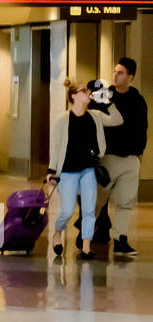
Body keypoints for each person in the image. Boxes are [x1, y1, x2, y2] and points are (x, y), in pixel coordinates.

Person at [48, 79, 123, 260]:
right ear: (74, 96)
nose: (88, 93)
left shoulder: (95, 115)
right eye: (83, 91)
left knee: (89, 211)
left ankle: (86, 247)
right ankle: (58, 232)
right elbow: (57, 147)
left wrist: (108, 102)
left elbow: (117, 120)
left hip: (88, 170)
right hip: (67, 171)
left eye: (88, 91)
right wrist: (52, 170)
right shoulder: (63, 120)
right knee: (66, 211)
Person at [94, 57, 145, 256]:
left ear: (130, 77)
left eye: (120, 72)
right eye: (114, 71)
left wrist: (139, 153)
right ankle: (87, 235)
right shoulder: (104, 97)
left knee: (126, 201)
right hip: (107, 157)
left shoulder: (138, 100)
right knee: (96, 200)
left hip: (131, 159)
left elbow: (143, 128)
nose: (115, 75)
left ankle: (121, 239)